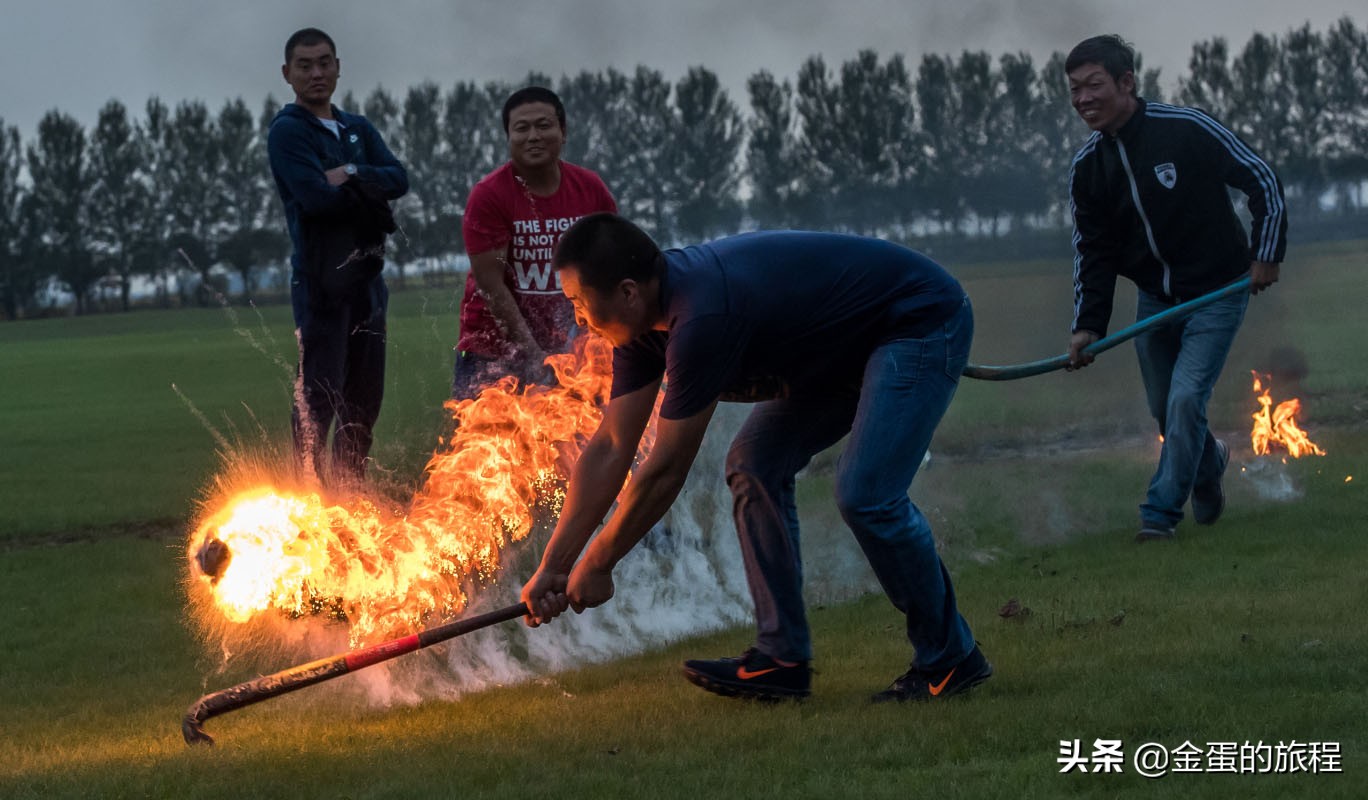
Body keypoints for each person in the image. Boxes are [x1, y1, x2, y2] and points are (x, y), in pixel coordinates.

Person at [520, 212, 992, 703]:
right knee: (753, 464)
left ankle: (950, 658)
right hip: (839, 351)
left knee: (866, 493)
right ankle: (781, 660)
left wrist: (598, 562)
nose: (577, 318)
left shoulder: (702, 315)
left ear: (627, 291)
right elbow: (612, 447)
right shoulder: (640, 328)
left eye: (578, 302)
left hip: (915, 320)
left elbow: (666, 467)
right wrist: (556, 565)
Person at [1062, 34, 1287, 542]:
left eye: (1093, 85)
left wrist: (1266, 254)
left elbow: (1262, 179)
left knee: (1186, 400)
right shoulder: (1087, 169)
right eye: (1074, 90)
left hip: (1218, 293)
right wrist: (1087, 327)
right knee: (1166, 409)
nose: (1082, 100)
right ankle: (1211, 465)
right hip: (1155, 303)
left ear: (1126, 82)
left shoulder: (1185, 128)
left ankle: (1159, 514)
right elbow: (1092, 252)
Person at [267, 28, 409, 483]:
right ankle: (308, 497)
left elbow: (399, 177)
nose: (316, 73)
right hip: (320, 285)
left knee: (364, 398)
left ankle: (350, 491)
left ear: (338, 67)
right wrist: (369, 194)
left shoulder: (357, 129)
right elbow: (314, 199)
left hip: (368, 282)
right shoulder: (288, 132)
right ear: (287, 74)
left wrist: (349, 172)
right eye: (305, 65)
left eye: (324, 62)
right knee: (318, 397)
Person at [453, 87, 617, 399]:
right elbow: (492, 286)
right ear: (508, 136)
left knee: (577, 443)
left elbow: (608, 268)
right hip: (494, 351)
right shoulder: (489, 195)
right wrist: (532, 354)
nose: (533, 136)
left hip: (570, 348)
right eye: (522, 128)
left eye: (543, 126)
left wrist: (593, 344)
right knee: (492, 444)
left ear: (563, 131)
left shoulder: (590, 190)